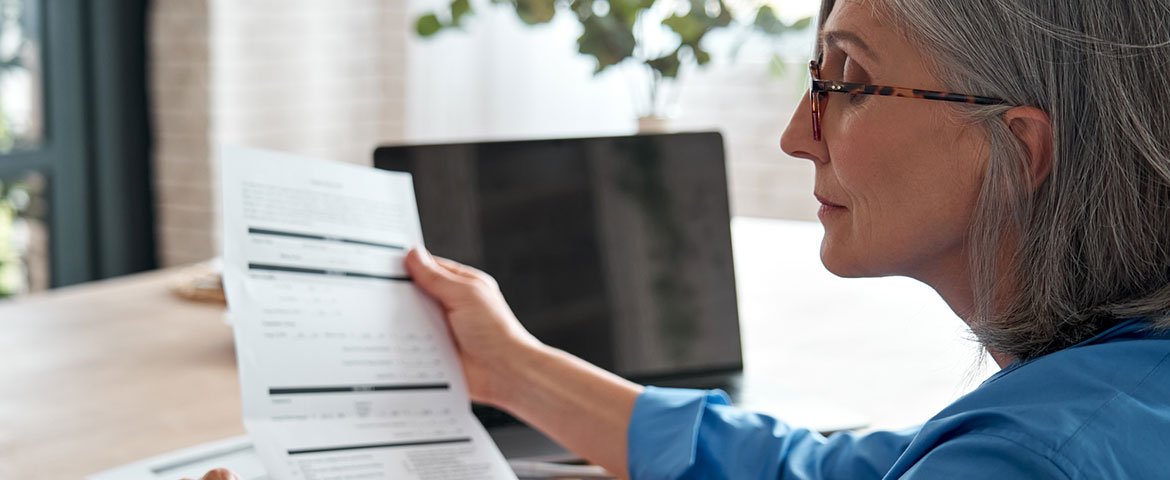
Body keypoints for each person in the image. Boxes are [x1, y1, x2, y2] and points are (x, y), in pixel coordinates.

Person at [205, 0, 1170, 478]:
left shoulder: (1030, 458)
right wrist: (511, 370)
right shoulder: (1107, 397)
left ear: (1017, 146)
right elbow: (828, 472)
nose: (798, 132)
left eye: (848, 78)